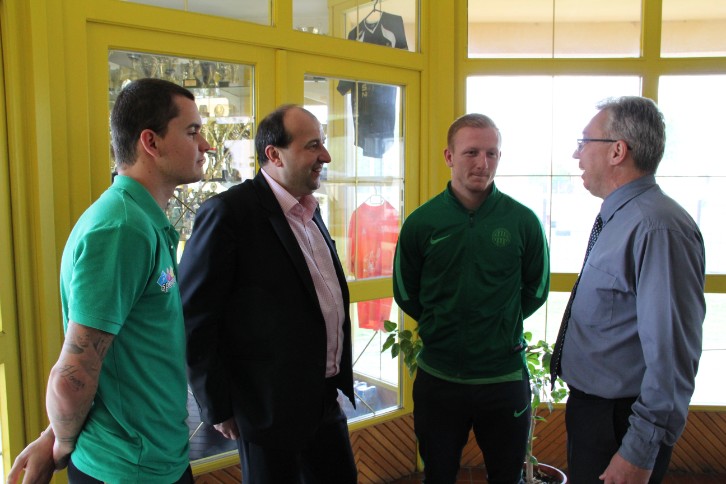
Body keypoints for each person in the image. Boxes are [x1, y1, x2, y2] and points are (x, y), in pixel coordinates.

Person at [6, 78, 210, 484]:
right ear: (150, 142)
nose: (206, 145)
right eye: (192, 132)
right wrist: (59, 445)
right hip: (128, 469)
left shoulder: (140, 221)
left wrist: (53, 436)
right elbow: (73, 376)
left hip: (155, 458)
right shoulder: (122, 229)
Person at [179, 104, 357, 484]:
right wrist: (216, 405)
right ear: (274, 154)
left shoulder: (309, 210)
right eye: (313, 146)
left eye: (322, 143)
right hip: (266, 411)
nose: (325, 156)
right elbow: (195, 316)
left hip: (325, 400)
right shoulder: (228, 213)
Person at [552, 96, 705, 483]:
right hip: (595, 414)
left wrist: (639, 451)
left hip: (620, 423)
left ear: (617, 151)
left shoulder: (658, 227)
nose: (576, 154)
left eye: (585, 142)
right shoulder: (622, 216)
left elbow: (671, 357)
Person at [392, 113, 550, 484]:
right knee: (438, 476)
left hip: (503, 378)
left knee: (507, 478)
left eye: (492, 153)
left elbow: (537, 289)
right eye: (472, 153)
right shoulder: (422, 223)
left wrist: (499, 323)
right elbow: (406, 292)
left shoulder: (522, 221)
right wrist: (441, 322)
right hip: (439, 379)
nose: (483, 163)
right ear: (449, 156)